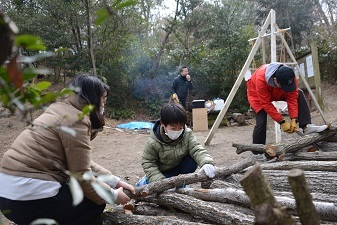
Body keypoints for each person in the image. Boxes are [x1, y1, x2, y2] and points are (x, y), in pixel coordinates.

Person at [0, 74, 135, 225]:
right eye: (103, 101)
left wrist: (115, 182)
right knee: (94, 203)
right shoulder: (76, 119)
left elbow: (81, 161)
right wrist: (112, 195)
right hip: (27, 202)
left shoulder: (58, 108)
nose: (103, 106)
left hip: (7, 197)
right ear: (93, 99)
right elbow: (82, 175)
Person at [246, 62, 328, 147]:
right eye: (284, 86)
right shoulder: (261, 79)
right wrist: (282, 122)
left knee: (299, 93)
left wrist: (294, 119)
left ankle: (306, 126)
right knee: (261, 122)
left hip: (277, 91)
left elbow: (292, 97)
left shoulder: (290, 76)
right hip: (256, 94)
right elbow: (266, 104)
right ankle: (257, 150)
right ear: (275, 80)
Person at [137, 103, 215, 186]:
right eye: (173, 128)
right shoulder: (153, 141)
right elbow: (148, 163)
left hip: (178, 170)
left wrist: (206, 163)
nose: (177, 131)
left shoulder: (187, 134)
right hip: (163, 172)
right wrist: (161, 182)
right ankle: (146, 181)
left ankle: (180, 183)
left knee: (191, 161)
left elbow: (197, 148)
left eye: (180, 128)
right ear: (163, 124)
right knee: (154, 181)